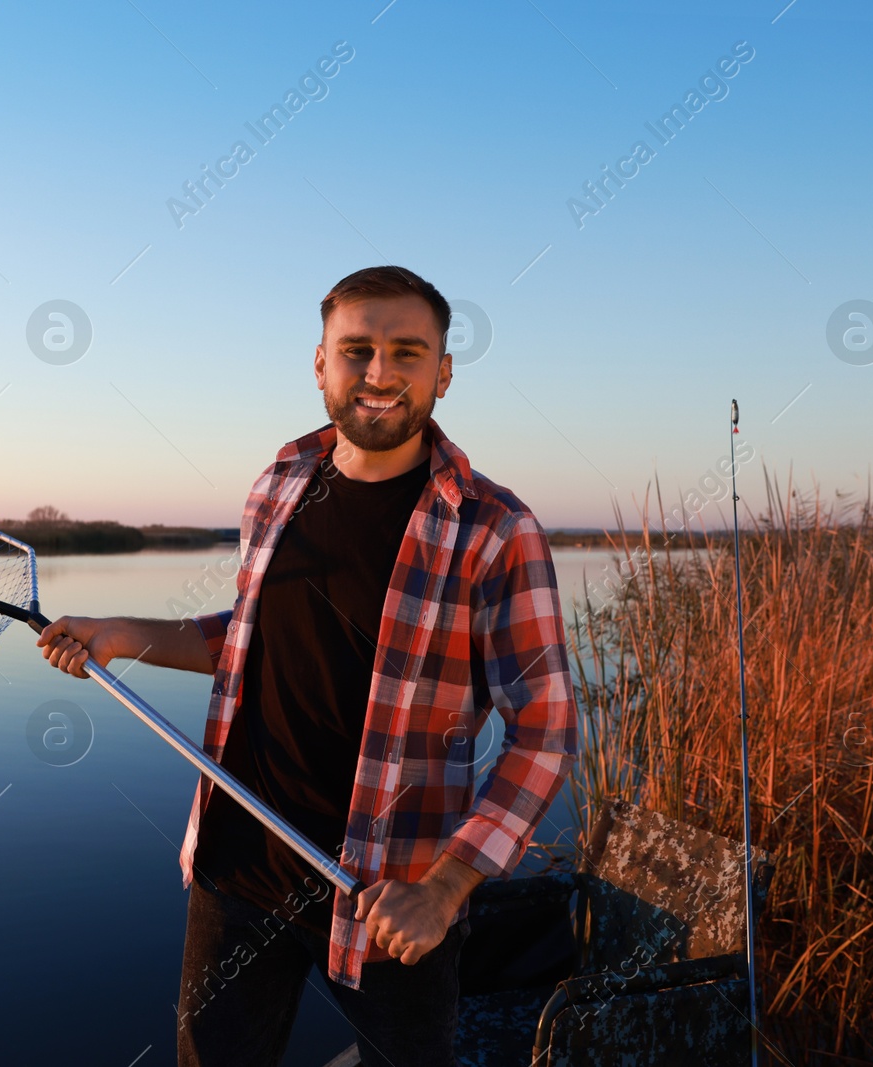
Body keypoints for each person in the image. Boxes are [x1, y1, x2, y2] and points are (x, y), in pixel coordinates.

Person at [36, 266, 576, 1067]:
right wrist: (121, 632)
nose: (380, 373)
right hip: (238, 868)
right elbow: (250, 640)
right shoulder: (281, 483)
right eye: (356, 350)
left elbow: (545, 731)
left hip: (394, 895)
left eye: (406, 351)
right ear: (320, 363)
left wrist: (444, 890)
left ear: (445, 372)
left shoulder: (496, 528)